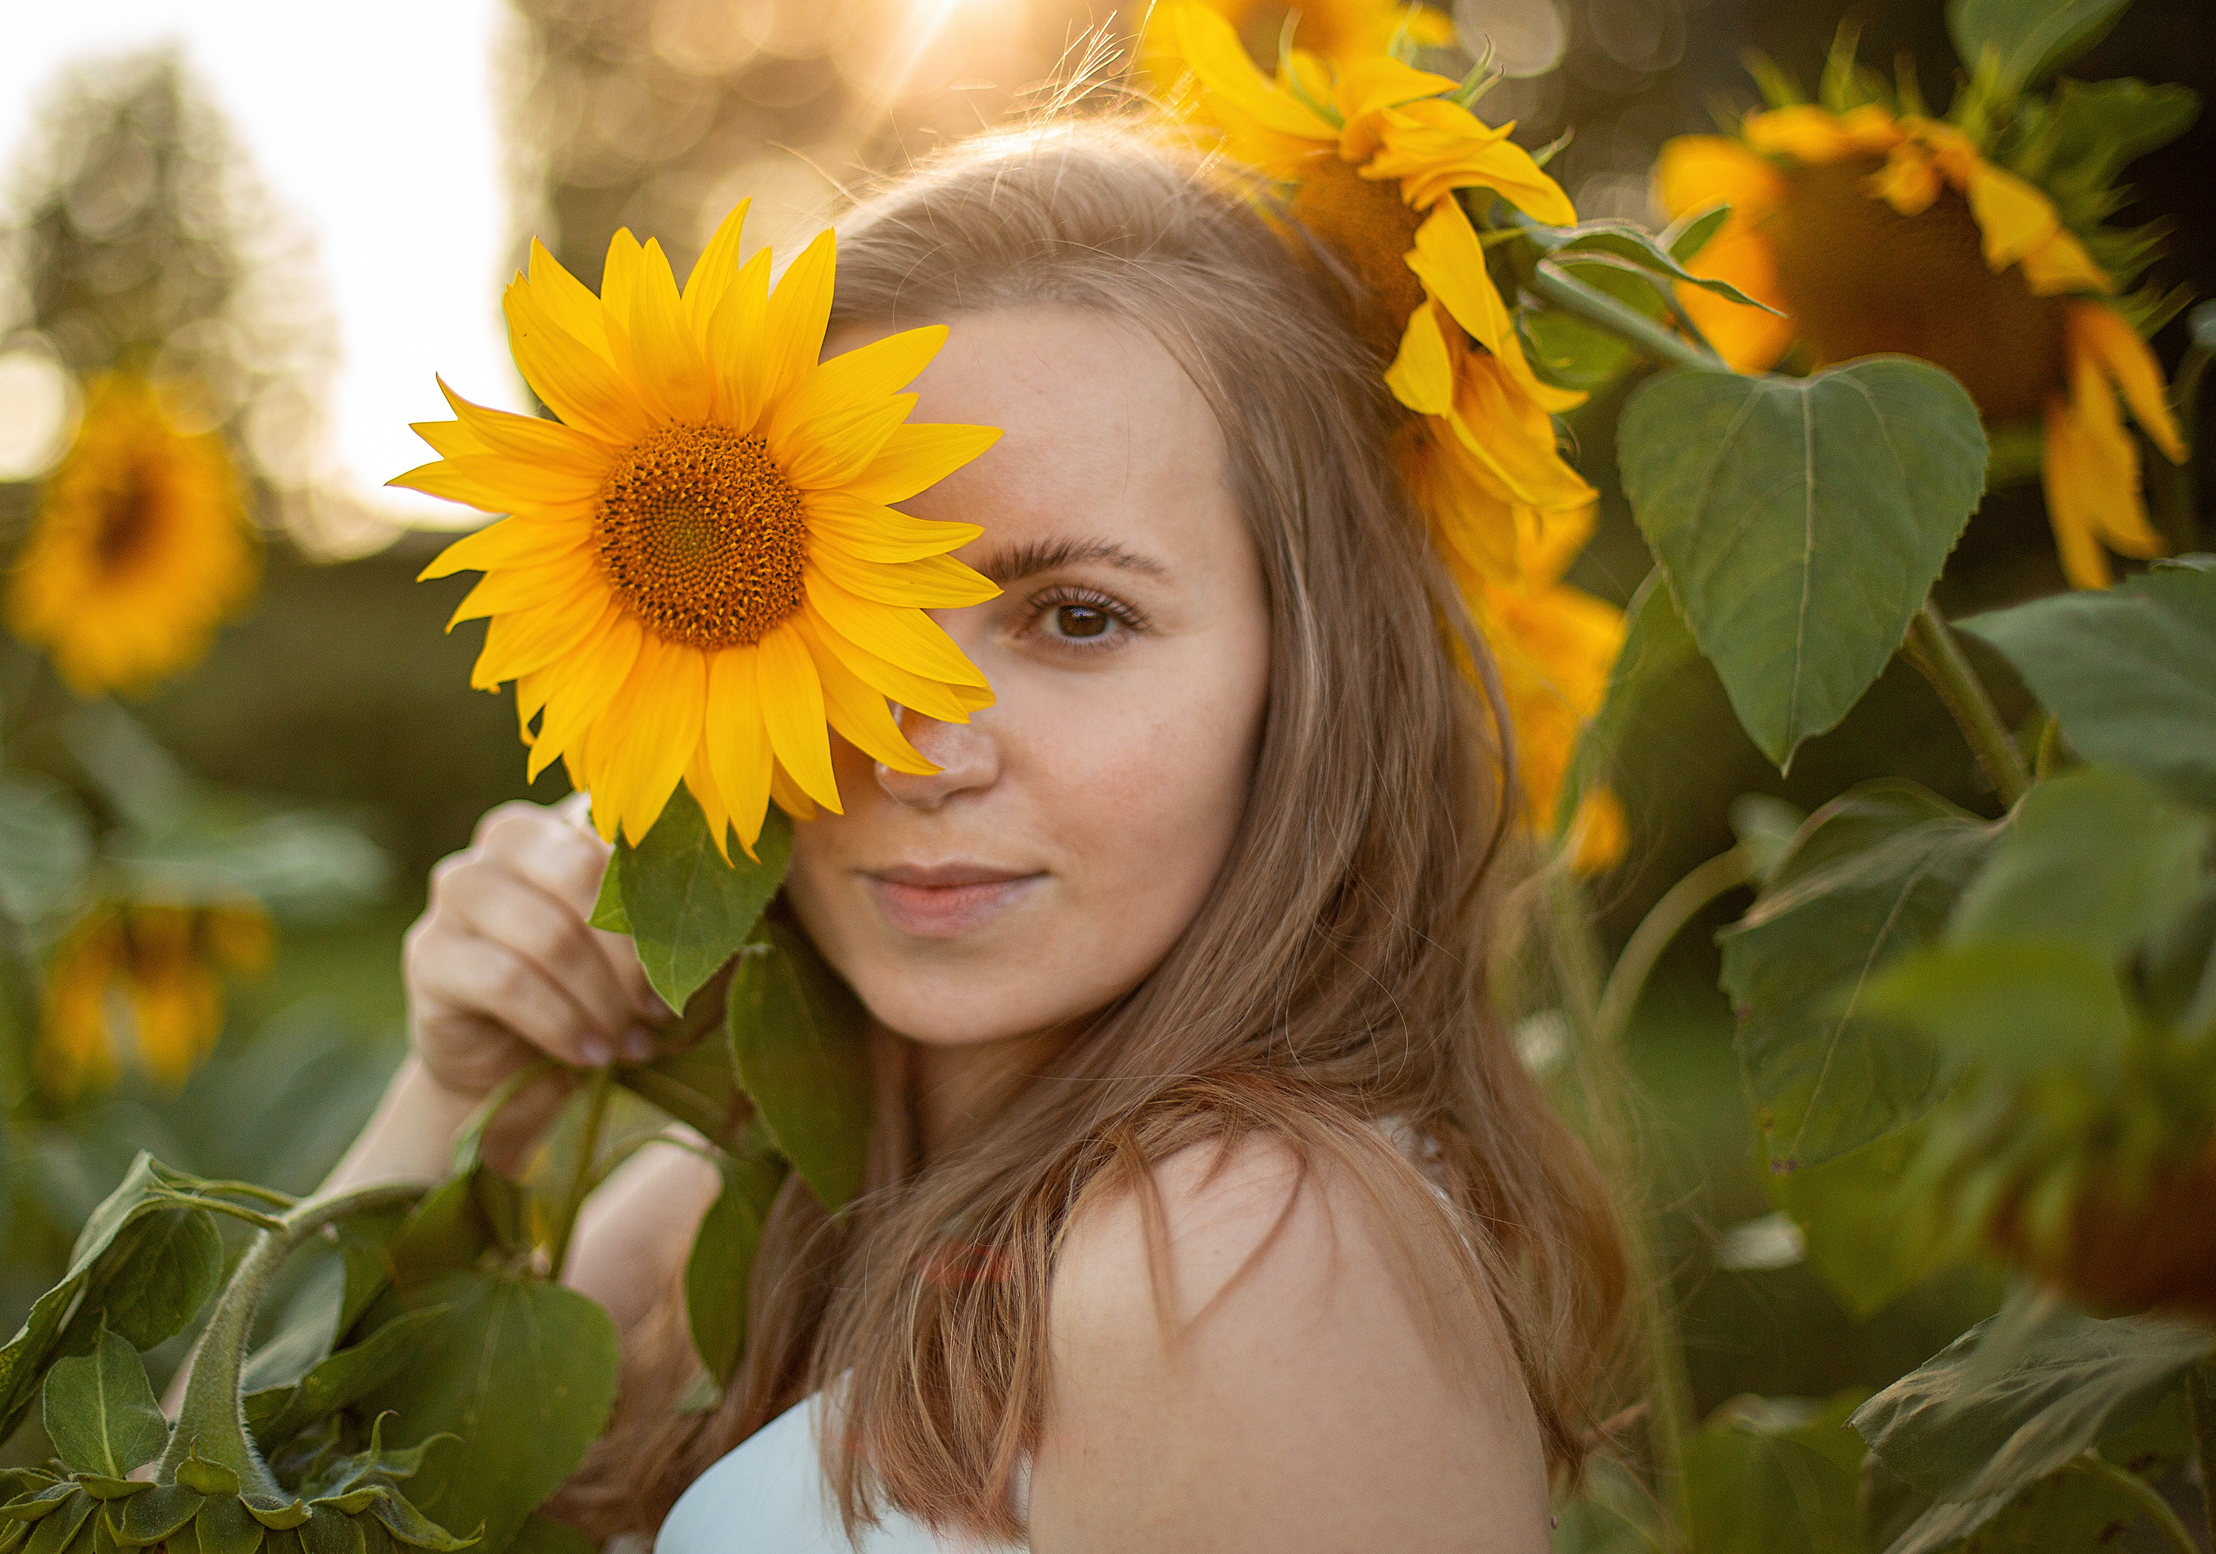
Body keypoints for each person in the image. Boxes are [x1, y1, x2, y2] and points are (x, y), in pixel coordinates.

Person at [322, 116, 1630, 1552]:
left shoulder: (1243, 1260)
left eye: (1078, 616)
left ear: (1311, 672)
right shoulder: (733, 1220)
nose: (919, 745)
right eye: (833, 604)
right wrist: (456, 1108)